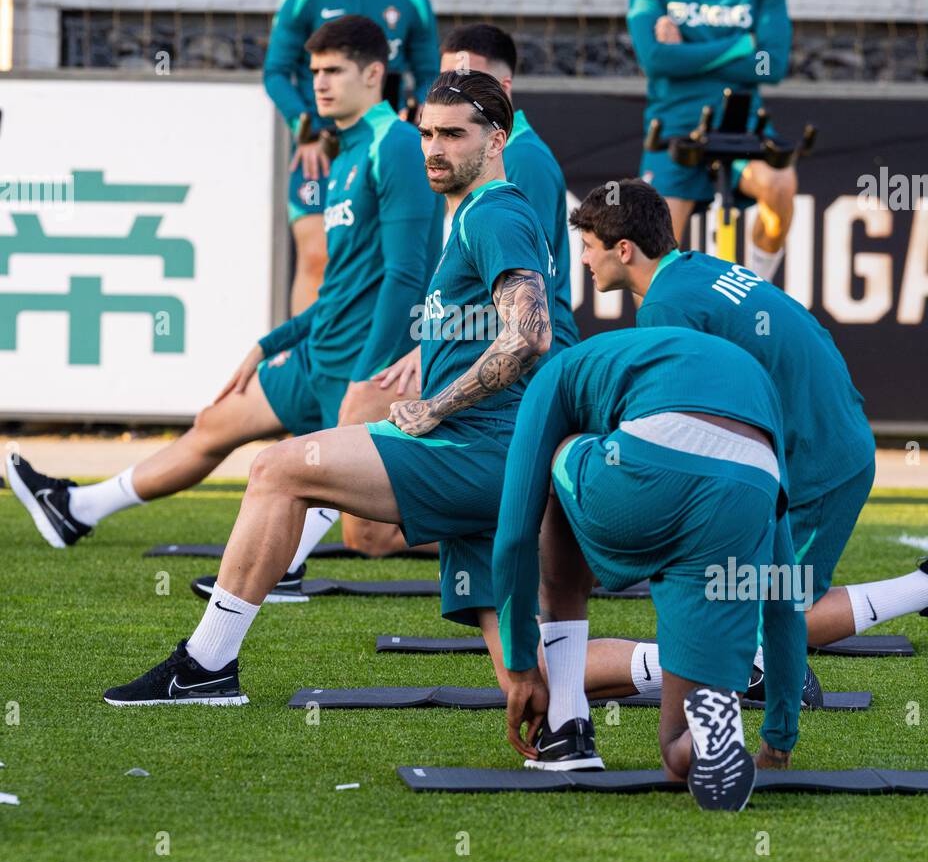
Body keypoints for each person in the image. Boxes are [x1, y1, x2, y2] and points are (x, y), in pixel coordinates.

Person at [100, 70, 557, 707]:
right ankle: (716, 672)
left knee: (277, 468)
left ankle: (205, 666)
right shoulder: (478, 215)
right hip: (491, 454)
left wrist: (435, 405)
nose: (433, 148)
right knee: (529, 680)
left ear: (496, 138)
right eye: (426, 132)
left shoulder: (494, 213)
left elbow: (531, 336)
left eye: (454, 134)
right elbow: (500, 331)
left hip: (476, 451)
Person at [7, 17, 442, 570]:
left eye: (334, 70)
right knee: (216, 423)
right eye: (314, 71)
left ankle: (511, 541)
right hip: (319, 353)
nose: (319, 84)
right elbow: (341, 285)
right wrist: (270, 343)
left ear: (375, 73)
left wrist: (367, 379)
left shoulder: (397, 145)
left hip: (366, 365)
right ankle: (75, 508)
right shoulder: (340, 154)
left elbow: (406, 273)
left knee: (369, 538)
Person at [561, 178, 928, 703]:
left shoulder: (665, 307)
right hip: (819, 439)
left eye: (589, 248)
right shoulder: (693, 270)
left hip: (817, 462)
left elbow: (693, 427)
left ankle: (904, 598)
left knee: (774, 615)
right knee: (739, 601)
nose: (584, 261)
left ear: (623, 249)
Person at [493, 325, 807, 812]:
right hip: (745, 493)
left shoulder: (550, 377)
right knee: (676, 749)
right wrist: (779, 737)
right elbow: (784, 592)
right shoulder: (748, 372)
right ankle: (712, 735)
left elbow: (514, 534)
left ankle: (567, 729)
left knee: (563, 452)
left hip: (648, 470)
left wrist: (520, 667)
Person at [264, 0, 440, 312]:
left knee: (386, 262)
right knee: (316, 257)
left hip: (384, 149)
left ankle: (370, 366)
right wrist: (303, 129)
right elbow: (275, 73)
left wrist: (414, 127)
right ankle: (303, 364)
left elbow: (431, 76)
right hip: (320, 149)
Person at [627, 0, 794, 279]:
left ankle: (756, 289)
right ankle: (668, 343)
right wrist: (739, 47)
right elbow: (655, 59)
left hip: (740, 122)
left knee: (780, 185)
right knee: (651, 258)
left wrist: (687, 49)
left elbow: (771, 65)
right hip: (675, 123)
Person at [439, 23, 580, 358]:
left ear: (503, 88)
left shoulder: (523, 159)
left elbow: (530, 291)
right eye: (445, 80)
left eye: (467, 80)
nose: (452, 90)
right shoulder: (469, 154)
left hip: (529, 367)